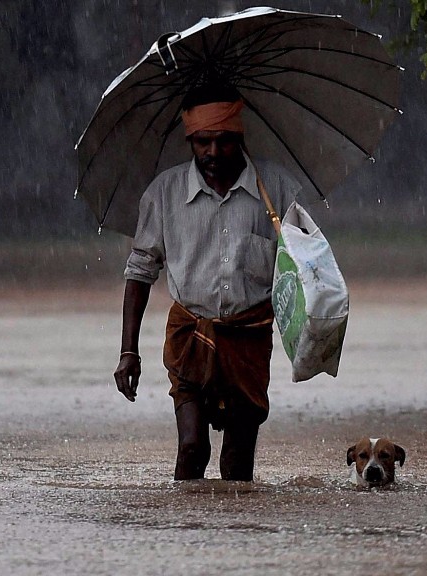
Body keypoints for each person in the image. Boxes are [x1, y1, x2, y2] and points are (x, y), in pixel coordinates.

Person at [113, 84, 300, 481]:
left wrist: (309, 339)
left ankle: (237, 521)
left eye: (224, 140)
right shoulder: (165, 193)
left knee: (237, 460)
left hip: (249, 338)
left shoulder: (276, 191)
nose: (213, 152)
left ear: (240, 136)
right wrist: (129, 351)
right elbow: (140, 272)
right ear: (190, 140)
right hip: (189, 336)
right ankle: (187, 519)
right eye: (203, 142)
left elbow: (304, 269)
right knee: (192, 446)